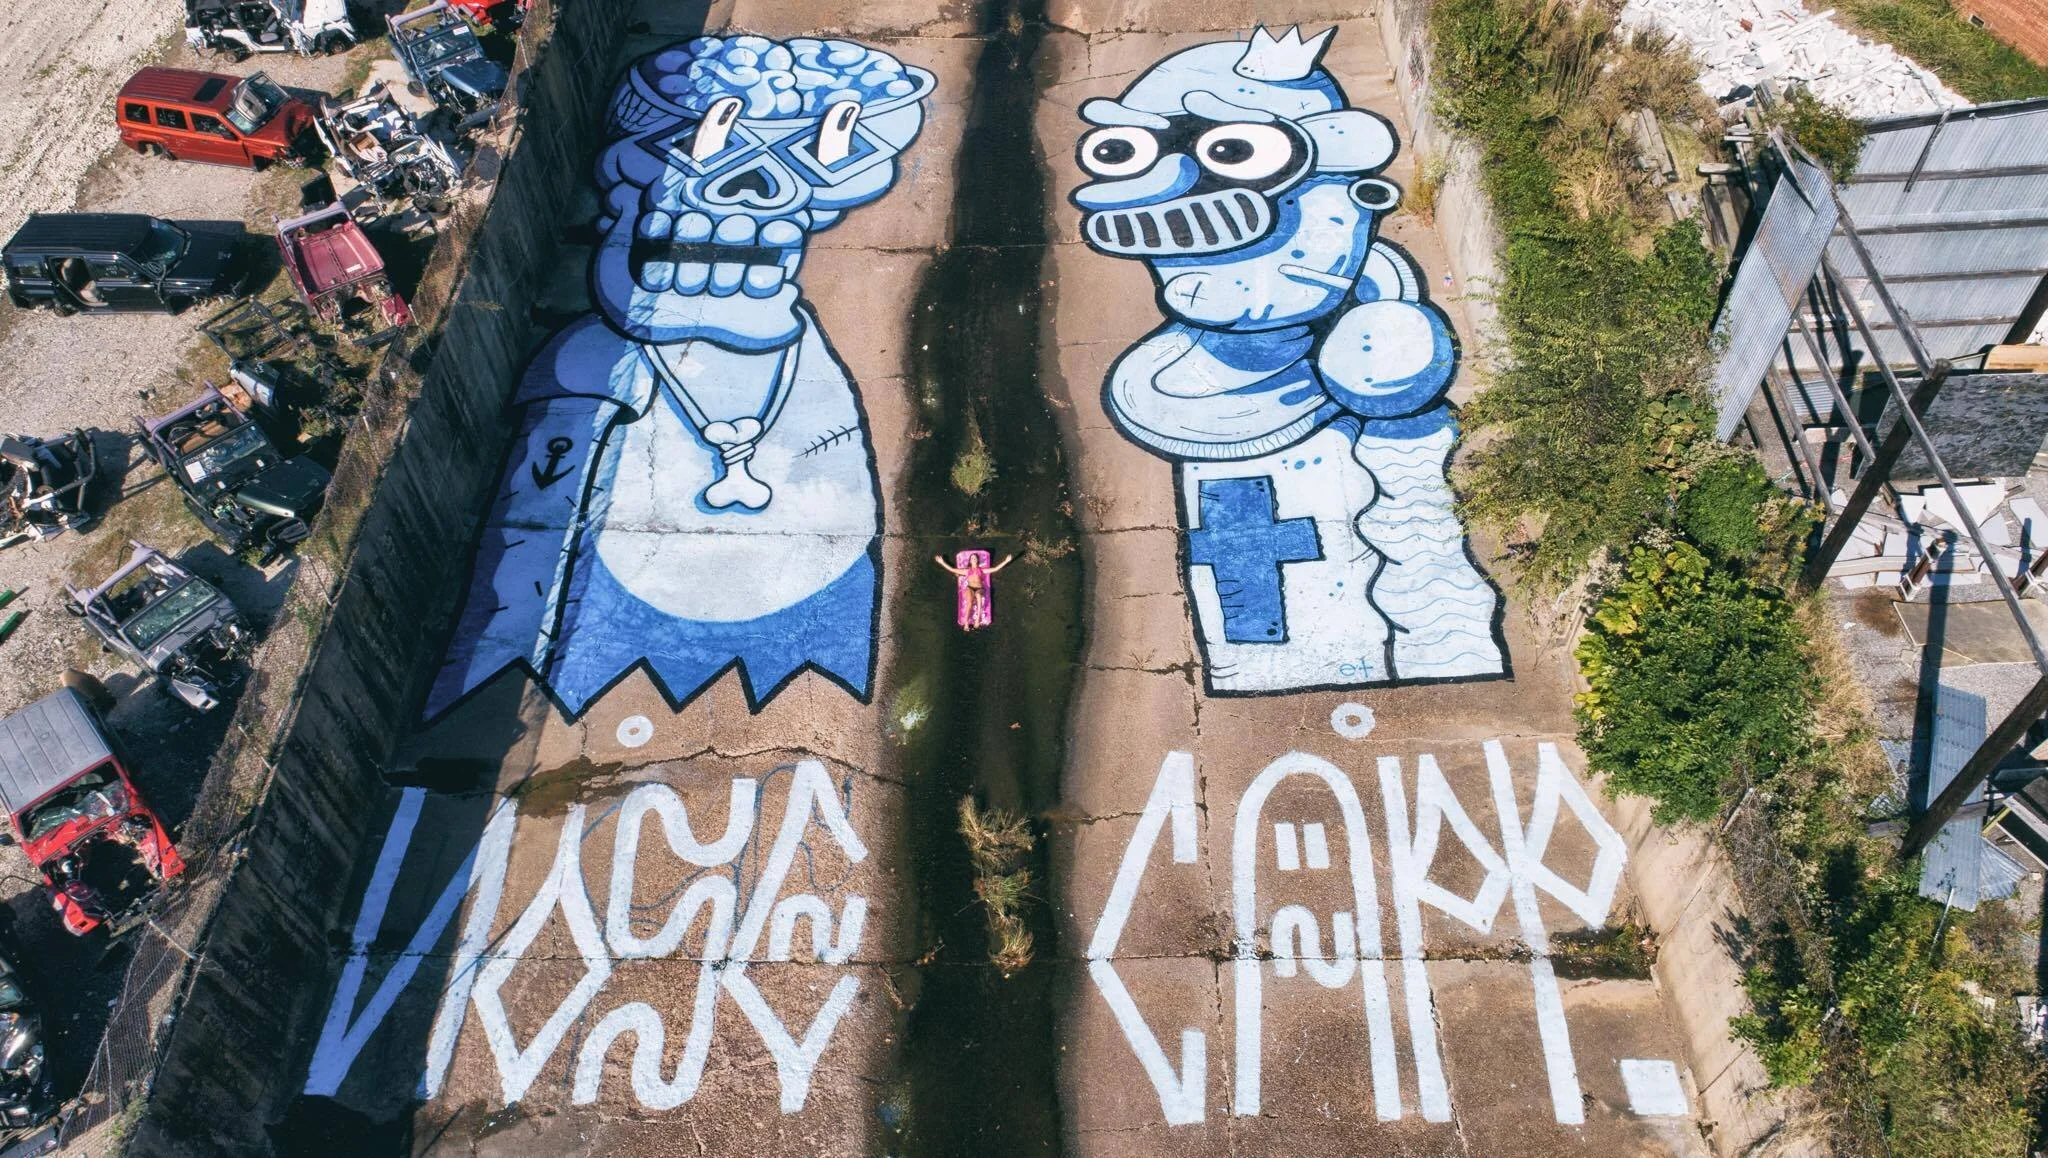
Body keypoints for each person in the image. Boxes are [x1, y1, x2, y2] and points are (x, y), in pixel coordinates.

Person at [934, 550, 1012, 630]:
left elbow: (995, 569)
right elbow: (953, 570)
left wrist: (1006, 561)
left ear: (977, 560)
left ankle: (977, 619)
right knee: (969, 602)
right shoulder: (967, 571)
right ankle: (966, 623)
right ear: (970, 561)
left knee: (978, 595)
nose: (973, 559)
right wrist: (942, 562)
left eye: (975, 558)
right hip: (970, 588)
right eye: (972, 558)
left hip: (979, 589)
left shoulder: (982, 570)